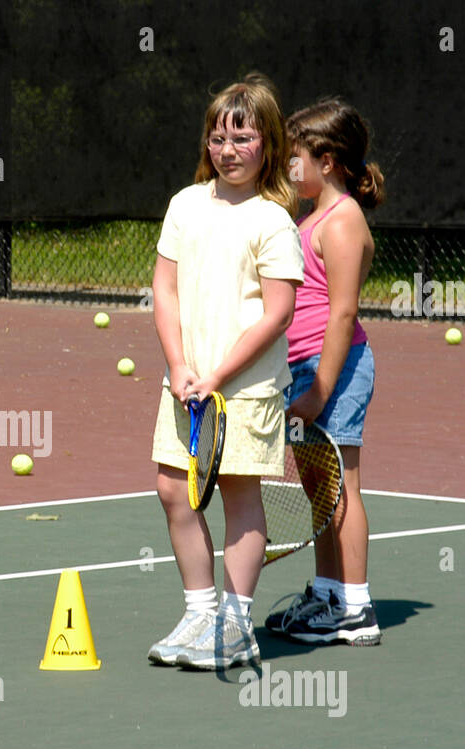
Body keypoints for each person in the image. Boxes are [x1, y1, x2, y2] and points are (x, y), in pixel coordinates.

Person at [147, 75, 304, 671]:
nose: (228, 149)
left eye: (242, 137)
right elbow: (164, 289)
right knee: (172, 491)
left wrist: (216, 375)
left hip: (247, 389)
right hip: (185, 385)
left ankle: (236, 627)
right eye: (217, 137)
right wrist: (181, 366)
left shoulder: (273, 221)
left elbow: (278, 312)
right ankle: (199, 615)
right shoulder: (185, 205)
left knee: (240, 496)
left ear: (267, 143)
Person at [264, 98, 386, 646]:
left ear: (328, 159)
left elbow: (342, 312)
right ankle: (329, 591)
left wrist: (318, 389)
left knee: (344, 486)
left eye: (296, 158)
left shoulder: (342, 221)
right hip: (302, 368)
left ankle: (356, 607)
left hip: (333, 369)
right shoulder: (309, 218)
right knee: (320, 487)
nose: (291, 168)